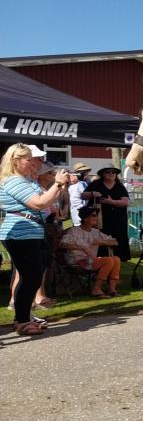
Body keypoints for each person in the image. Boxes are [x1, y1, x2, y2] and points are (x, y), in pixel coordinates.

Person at [0, 143, 69, 336]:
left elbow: (46, 202)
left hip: (31, 231)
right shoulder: (14, 181)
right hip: (21, 234)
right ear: (15, 161)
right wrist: (57, 183)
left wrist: (58, 186)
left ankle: (24, 317)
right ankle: (22, 321)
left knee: (33, 277)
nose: (34, 163)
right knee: (30, 278)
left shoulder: (25, 180)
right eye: (29, 160)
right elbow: (38, 203)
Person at [61, 206, 121, 297]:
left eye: (96, 215)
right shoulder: (74, 231)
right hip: (78, 261)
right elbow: (63, 244)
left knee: (116, 259)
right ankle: (96, 289)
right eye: (93, 215)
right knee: (109, 260)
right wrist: (82, 247)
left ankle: (112, 289)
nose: (96, 218)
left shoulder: (95, 232)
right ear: (85, 218)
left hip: (91, 260)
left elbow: (115, 242)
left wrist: (100, 242)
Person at [84, 165, 131, 262]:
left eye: (113, 172)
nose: (111, 174)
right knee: (100, 238)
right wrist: (92, 193)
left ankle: (116, 262)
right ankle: (100, 261)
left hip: (118, 220)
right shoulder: (96, 184)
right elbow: (83, 195)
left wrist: (110, 202)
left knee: (117, 240)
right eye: (108, 172)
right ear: (103, 174)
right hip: (100, 219)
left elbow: (126, 202)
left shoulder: (119, 186)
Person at [68, 162, 92, 226]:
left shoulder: (78, 184)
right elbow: (76, 202)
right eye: (86, 172)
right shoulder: (79, 185)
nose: (87, 174)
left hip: (79, 217)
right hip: (80, 218)